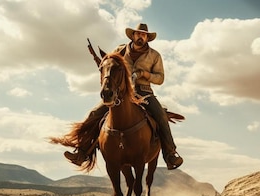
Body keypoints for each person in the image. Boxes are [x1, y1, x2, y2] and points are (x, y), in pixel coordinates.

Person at [64, 23, 184, 170]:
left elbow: (160, 78)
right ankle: (82, 153)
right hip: (121, 92)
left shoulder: (154, 55)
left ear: (147, 38)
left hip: (145, 92)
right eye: (138, 34)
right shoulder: (119, 50)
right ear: (133, 35)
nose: (141, 36)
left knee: (160, 116)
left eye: (144, 35)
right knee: (94, 114)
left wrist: (143, 74)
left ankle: (170, 154)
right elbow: (108, 65)